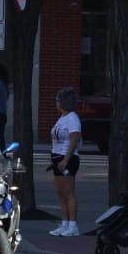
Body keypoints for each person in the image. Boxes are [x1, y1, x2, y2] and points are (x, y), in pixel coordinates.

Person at [48, 87, 82, 237]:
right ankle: (65, 223)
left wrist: (66, 160)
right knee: (60, 193)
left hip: (67, 158)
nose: (56, 103)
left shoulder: (73, 118)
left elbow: (74, 139)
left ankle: (73, 225)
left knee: (68, 193)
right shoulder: (62, 118)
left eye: (58, 101)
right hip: (57, 158)